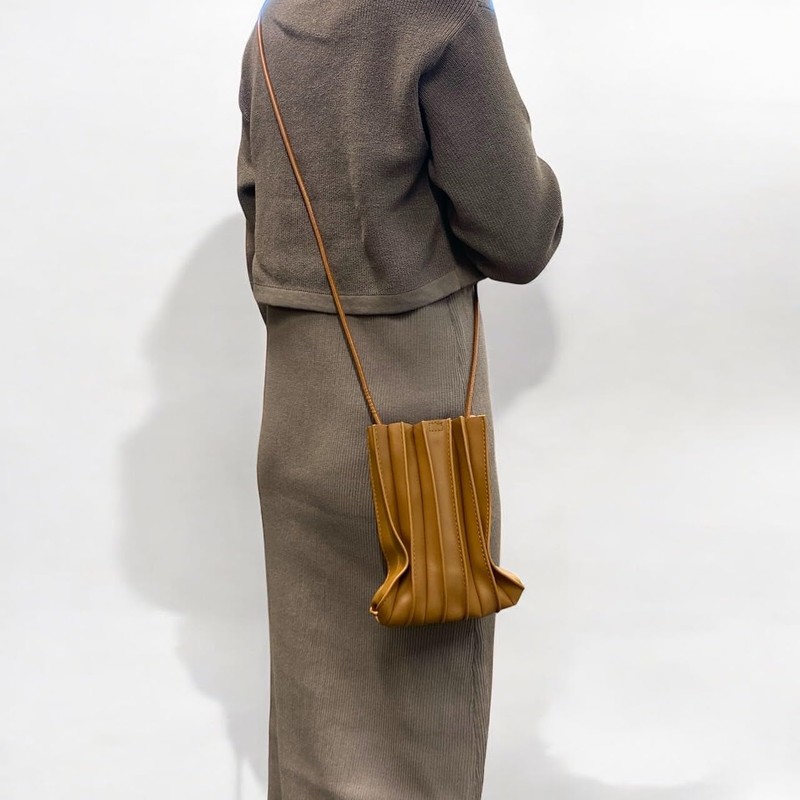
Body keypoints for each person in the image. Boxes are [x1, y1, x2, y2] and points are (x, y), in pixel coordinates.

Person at [235, 0, 563, 796]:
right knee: (422, 720)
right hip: (416, 408)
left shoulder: (277, 18)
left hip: (297, 403)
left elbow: (257, 203)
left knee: (319, 720)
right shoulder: (444, 15)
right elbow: (518, 235)